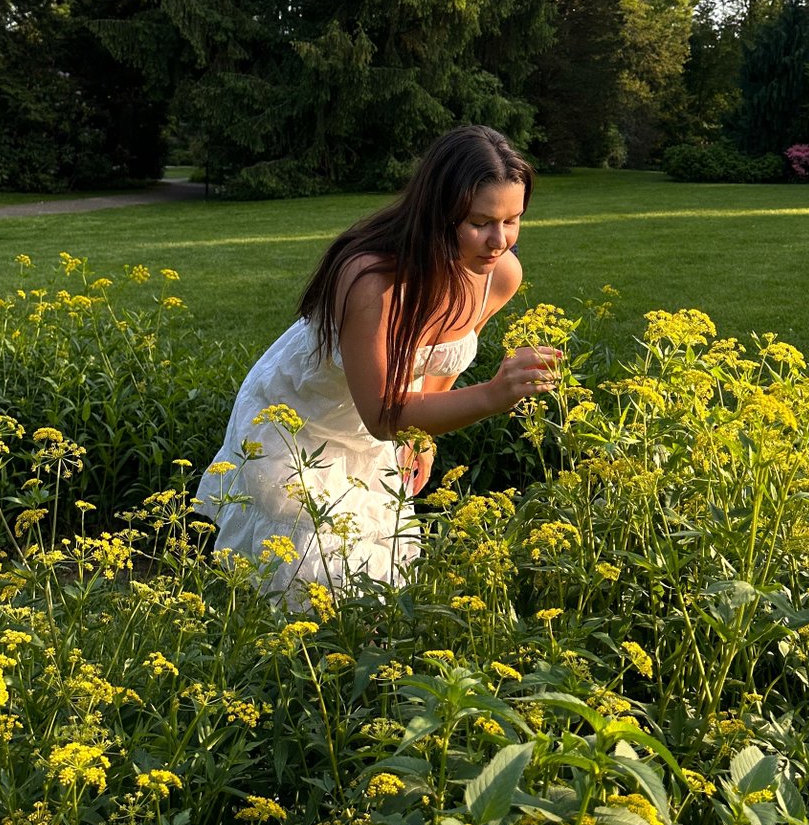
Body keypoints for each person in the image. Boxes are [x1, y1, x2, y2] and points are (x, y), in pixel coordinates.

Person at [195, 125, 559, 600]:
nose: (499, 240)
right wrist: (493, 395)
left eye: (513, 220)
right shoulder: (373, 282)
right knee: (308, 578)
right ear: (438, 214)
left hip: (372, 424)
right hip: (296, 421)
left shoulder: (500, 275)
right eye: (480, 222)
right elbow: (385, 414)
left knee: (375, 578)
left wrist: (422, 437)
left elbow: (441, 361)